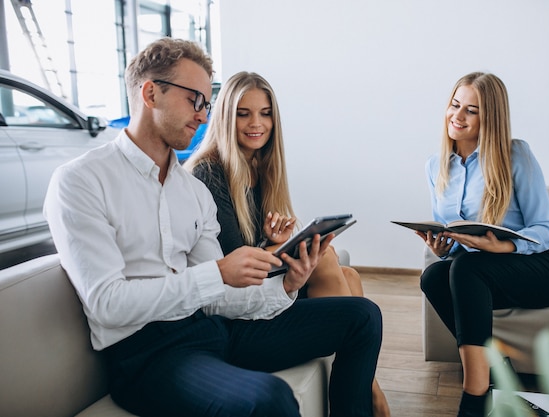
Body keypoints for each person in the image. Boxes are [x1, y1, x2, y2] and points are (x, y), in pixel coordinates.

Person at [43, 37, 383, 417]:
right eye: (195, 100)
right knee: (269, 399)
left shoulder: (192, 192)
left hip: (213, 330)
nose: (204, 115)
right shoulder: (81, 181)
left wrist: (288, 286)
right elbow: (107, 305)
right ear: (151, 93)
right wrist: (216, 273)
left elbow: (220, 299)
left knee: (361, 317)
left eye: (207, 103)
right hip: (151, 355)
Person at [184, 71, 391, 417]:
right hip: (233, 315)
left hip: (255, 294)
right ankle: (371, 392)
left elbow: (252, 246)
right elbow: (230, 261)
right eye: (243, 113)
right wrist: (281, 249)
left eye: (265, 113)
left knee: (348, 275)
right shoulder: (209, 173)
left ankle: (364, 390)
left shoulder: (259, 166)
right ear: (225, 116)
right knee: (327, 262)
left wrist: (276, 241)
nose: (256, 123)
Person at [416, 72, 549, 417]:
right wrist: (443, 247)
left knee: (469, 267)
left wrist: (503, 248)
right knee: (433, 276)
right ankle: (497, 369)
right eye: (455, 105)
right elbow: (454, 235)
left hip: (544, 265)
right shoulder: (435, 166)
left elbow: (547, 228)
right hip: (481, 269)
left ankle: (476, 395)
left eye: (471, 110)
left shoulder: (514, 154)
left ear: (490, 117)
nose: (457, 117)